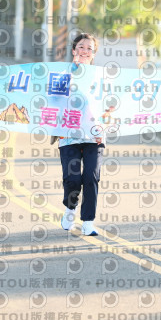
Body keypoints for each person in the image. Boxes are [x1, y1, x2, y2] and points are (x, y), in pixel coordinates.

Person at [58, 33, 105, 236]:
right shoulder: (61, 73)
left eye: (89, 49)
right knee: (73, 178)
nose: (85, 51)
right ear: (73, 50)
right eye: (81, 47)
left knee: (91, 176)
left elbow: (110, 103)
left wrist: (107, 119)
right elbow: (53, 97)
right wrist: (72, 75)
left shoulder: (101, 76)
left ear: (94, 54)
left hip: (95, 135)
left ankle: (88, 222)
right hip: (69, 134)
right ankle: (70, 208)